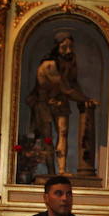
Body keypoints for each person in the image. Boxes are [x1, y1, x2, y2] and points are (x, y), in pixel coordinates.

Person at [27, 30, 96, 175]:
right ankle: (51, 171)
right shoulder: (49, 65)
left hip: (61, 101)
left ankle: (62, 170)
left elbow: (73, 83)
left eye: (71, 47)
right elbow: (65, 88)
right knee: (47, 138)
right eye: (64, 47)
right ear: (57, 48)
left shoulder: (71, 61)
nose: (69, 50)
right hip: (44, 102)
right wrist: (84, 99)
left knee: (63, 133)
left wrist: (84, 99)